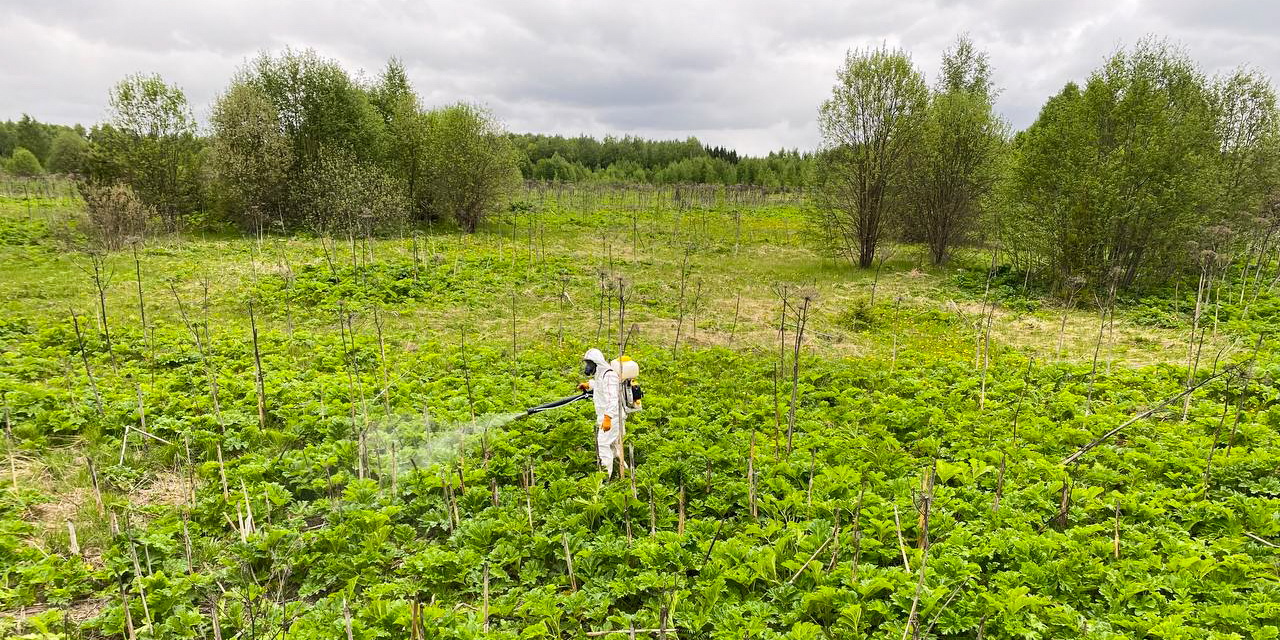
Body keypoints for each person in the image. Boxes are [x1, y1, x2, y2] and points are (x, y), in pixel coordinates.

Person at [578, 348, 626, 477]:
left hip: (612, 417)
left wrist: (607, 418)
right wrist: (588, 384)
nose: (587, 366)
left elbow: (613, 398)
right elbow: (600, 385)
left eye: (589, 363)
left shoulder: (609, 375)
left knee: (603, 444)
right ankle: (624, 472)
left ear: (596, 362)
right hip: (606, 416)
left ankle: (605, 477)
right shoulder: (601, 373)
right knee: (615, 447)